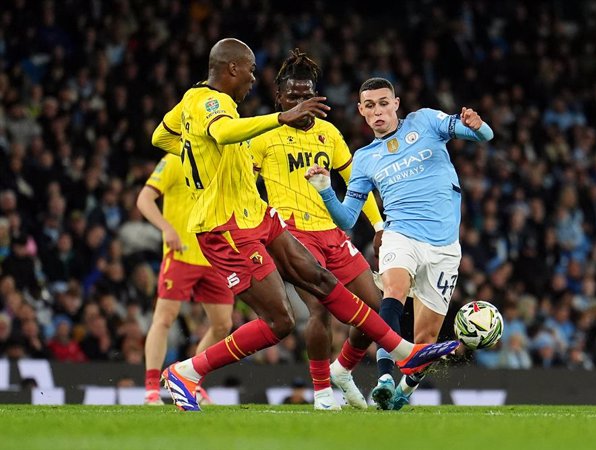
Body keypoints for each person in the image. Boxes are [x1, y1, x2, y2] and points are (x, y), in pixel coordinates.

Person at [152, 38, 459, 411]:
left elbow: (161, 136)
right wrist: (275, 120)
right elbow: (221, 132)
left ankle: (404, 352)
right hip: (226, 225)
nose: (253, 77)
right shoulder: (213, 104)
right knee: (280, 321)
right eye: (249, 69)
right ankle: (188, 372)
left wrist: (196, 148)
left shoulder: (195, 103)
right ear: (231, 68)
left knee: (324, 282)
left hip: (260, 215)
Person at [306, 77, 494, 409]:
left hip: (444, 247)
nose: (377, 111)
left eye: (383, 103)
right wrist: (324, 189)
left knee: (424, 341)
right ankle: (384, 376)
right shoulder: (363, 158)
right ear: (361, 111)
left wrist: (478, 126)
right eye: (370, 105)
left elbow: (484, 136)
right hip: (400, 235)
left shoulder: (424, 121)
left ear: (396, 103)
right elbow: (348, 218)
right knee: (392, 291)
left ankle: (402, 393)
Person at [250, 49, 384, 410]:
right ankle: (323, 391)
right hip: (293, 236)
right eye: (292, 95)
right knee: (320, 309)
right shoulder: (263, 134)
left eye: (305, 94)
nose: (299, 101)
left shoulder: (328, 133)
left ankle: (344, 369)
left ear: (316, 95)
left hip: (333, 234)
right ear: (279, 98)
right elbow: (242, 183)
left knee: (376, 308)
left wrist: (377, 223)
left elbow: (356, 181)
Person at [137, 154, 234, 405]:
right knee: (165, 317)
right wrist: (166, 228)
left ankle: (190, 380)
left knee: (223, 325)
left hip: (214, 256)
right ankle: (151, 389)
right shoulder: (174, 160)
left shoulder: (220, 160)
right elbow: (144, 199)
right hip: (180, 254)